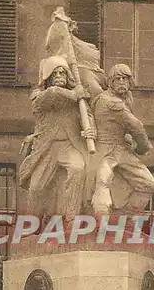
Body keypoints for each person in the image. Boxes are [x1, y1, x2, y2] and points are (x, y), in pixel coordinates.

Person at [19, 56, 96, 222]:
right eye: (55, 73)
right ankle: (30, 225)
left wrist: (91, 132)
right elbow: (52, 94)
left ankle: (71, 219)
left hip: (69, 146)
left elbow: (88, 117)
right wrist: (75, 94)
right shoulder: (40, 95)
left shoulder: (78, 101)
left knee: (78, 169)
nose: (60, 76)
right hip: (47, 149)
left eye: (62, 72)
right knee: (36, 187)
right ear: (48, 77)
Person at [90, 64, 154, 215]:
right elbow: (136, 126)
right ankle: (100, 227)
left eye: (125, 79)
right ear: (111, 82)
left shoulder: (123, 98)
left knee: (149, 184)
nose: (121, 82)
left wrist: (128, 138)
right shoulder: (111, 101)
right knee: (102, 185)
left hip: (121, 149)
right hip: (104, 151)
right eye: (117, 79)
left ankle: (127, 221)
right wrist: (143, 148)